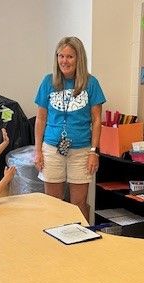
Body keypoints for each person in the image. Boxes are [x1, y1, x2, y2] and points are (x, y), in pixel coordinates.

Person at [34, 36, 106, 221]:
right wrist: (38, 151)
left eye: (70, 57)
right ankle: (54, 241)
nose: (64, 61)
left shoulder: (91, 83)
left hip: (81, 150)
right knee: (52, 201)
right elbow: (40, 119)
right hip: (51, 148)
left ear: (79, 58)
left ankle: (81, 240)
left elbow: (97, 120)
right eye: (61, 56)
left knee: (79, 203)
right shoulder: (48, 81)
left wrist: (94, 152)